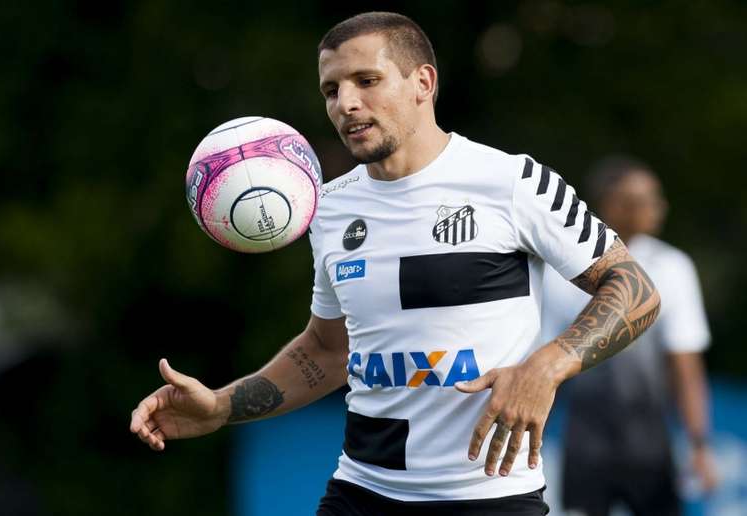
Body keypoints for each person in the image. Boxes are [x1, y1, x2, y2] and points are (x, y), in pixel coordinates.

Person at [130, 12, 661, 515]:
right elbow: (327, 349)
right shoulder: (328, 208)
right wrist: (221, 405)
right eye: (331, 90)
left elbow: (634, 287)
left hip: (490, 499)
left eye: (366, 80)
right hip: (362, 490)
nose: (346, 103)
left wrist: (546, 367)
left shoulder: (512, 181)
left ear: (423, 83)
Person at [541, 155, 716, 516]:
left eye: (655, 198)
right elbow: (543, 362)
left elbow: (686, 366)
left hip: (651, 449)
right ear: (610, 206)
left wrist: (699, 443)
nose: (657, 208)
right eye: (642, 200)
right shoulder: (561, 270)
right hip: (584, 448)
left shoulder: (672, 267)